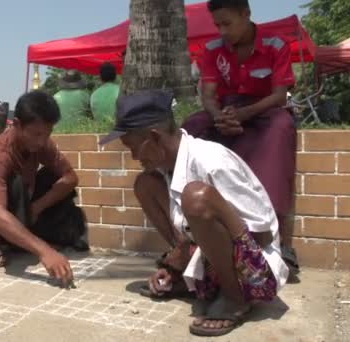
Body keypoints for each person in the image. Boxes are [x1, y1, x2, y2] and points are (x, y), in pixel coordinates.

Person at [99, 90, 288, 337]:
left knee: (196, 197)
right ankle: (195, 277)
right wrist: (180, 262)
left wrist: (191, 252)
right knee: (144, 184)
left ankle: (234, 298)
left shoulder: (211, 161)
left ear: (154, 138)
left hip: (255, 274)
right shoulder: (169, 167)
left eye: (133, 148)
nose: (134, 157)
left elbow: (261, 236)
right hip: (211, 261)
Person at [181, 0, 299, 276]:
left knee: (280, 131)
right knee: (190, 128)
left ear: (246, 14)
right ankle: (186, 237)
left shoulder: (276, 45)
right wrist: (219, 116)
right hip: (225, 111)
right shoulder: (212, 50)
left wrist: (244, 115)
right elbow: (208, 95)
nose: (222, 30)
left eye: (227, 23)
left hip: (264, 110)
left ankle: (273, 239)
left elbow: (279, 96)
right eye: (217, 24)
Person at [0, 91, 86, 287]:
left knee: (55, 179)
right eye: (36, 134)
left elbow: (70, 178)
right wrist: (44, 251)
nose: (42, 141)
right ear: (17, 125)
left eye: (47, 134)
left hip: (19, 204)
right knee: (14, 181)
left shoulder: (42, 144)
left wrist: (36, 207)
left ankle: (15, 241)